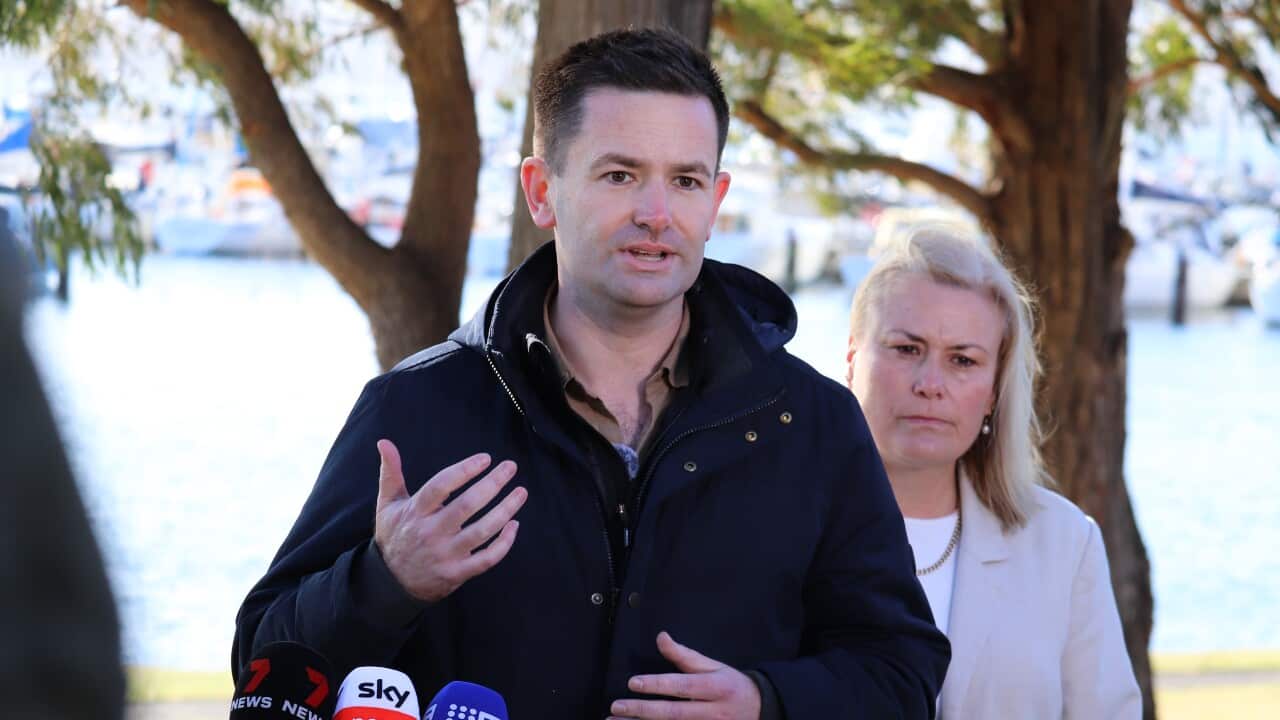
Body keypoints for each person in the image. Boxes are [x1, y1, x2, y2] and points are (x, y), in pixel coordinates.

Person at [234, 28, 948, 718]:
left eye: (686, 180)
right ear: (543, 191)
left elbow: (902, 674)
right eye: (620, 175)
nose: (657, 214)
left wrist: (769, 703)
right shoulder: (420, 409)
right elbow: (261, 674)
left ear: (717, 200)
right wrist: (385, 583)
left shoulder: (812, 423)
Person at [845, 226, 1141, 718]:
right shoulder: (773, 522)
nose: (930, 384)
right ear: (853, 359)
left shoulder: (1064, 545)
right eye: (906, 349)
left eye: (963, 360)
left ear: (992, 393)